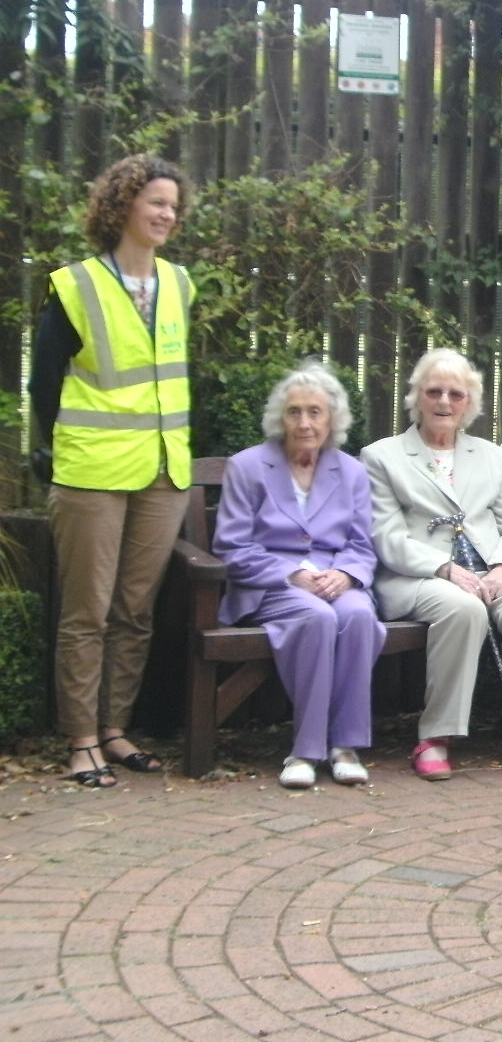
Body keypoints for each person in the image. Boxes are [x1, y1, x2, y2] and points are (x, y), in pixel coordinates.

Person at [29, 154, 195, 787]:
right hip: (91, 471)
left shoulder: (180, 284)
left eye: (174, 206)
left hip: (163, 471)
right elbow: (44, 384)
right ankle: (79, 741)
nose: (166, 214)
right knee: (87, 614)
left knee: (134, 611)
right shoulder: (74, 285)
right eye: (156, 201)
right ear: (122, 204)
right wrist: (49, 447)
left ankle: (114, 731)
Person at [361, 348, 502, 781]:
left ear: (470, 403)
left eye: (456, 394)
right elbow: (387, 537)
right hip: (420, 576)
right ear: (417, 397)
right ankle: (436, 736)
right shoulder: (382, 456)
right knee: (463, 607)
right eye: (434, 392)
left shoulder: (490, 455)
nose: (444, 402)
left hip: (491, 569)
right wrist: (446, 569)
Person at [213, 361, 386, 789]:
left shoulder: (351, 471)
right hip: (270, 584)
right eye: (295, 412)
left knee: (359, 616)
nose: (305, 422)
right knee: (317, 617)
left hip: (334, 579)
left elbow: (362, 545)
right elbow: (232, 546)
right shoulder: (247, 466)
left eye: (315, 412)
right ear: (280, 417)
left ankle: (345, 747)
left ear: (333, 419)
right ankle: (306, 750)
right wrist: (291, 573)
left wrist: (346, 575)